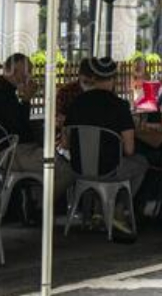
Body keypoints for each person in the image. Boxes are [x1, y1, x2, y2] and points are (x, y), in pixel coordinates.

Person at [64, 57, 149, 230]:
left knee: (102, 169)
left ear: (93, 78)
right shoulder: (120, 106)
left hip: (79, 168)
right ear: (114, 78)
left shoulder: (77, 102)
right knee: (141, 162)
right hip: (110, 170)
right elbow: (129, 149)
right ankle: (117, 208)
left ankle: (98, 210)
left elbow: (65, 143)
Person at [0, 54, 74, 197]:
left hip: (18, 151)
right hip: (14, 153)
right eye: (27, 73)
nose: (29, 77)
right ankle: (42, 210)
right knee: (68, 170)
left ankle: (36, 206)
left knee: (55, 167)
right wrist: (27, 99)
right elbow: (17, 126)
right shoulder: (0, 92)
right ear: (15, 71)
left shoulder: (3, 90)